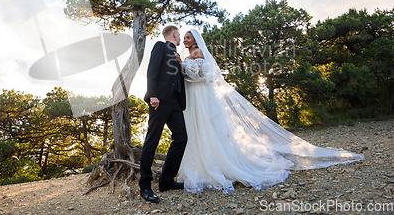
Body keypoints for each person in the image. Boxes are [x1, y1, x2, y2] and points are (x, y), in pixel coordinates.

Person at [175, 29, 364, 194]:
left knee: (205, 128)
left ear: (196, 40)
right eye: (184, 38)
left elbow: (201, 76)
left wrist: (182, 64)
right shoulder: (190, 54)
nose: (185, 40)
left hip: (200, 94)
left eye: (188, 37)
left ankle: (213, 167)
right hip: (194, 96)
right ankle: (200, 165)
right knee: (197, 128)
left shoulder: (198, 52)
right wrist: (182, 64)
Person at [139, 25, 187, 203]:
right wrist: (152, 95)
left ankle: (166, 181)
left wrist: (180, 64)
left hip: (175, 103)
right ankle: (145, 186)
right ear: (174, 34)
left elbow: (177, 79)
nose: (180, 38)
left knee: (181, 138)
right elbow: (151, 71)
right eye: (179, 35)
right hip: (159, 102)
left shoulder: (176, 55)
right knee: (152, 141)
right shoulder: (160, 46)